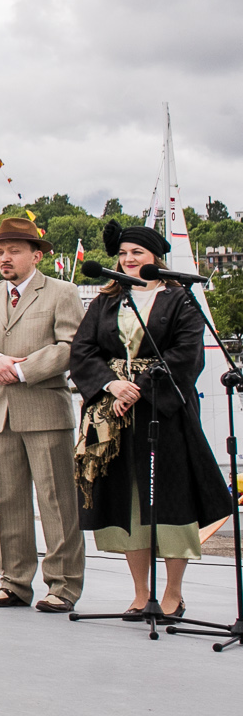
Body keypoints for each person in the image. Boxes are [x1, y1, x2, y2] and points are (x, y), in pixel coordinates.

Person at [70, 220, 232, 619]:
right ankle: (141, 594)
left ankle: (172, 594)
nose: (127, 260)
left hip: (165, 414)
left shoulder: (181, 301)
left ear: (156, 257)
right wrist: (111, 386)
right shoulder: (106, 301)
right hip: (113, 416)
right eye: (123, 253)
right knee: (130, 504)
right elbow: (83, 351)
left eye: (136, 253)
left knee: (171, 501)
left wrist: (139, 387)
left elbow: (186, 355)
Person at [0, 217, 87, 613]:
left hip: (46, 410)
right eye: (0, 251)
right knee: (7, 501)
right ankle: (14, 583)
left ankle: (63, 586)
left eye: (14, 251)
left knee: (57, 501)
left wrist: (21, 369)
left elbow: (71, 346)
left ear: (36, 255)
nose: (5, 258)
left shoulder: (62, 292)